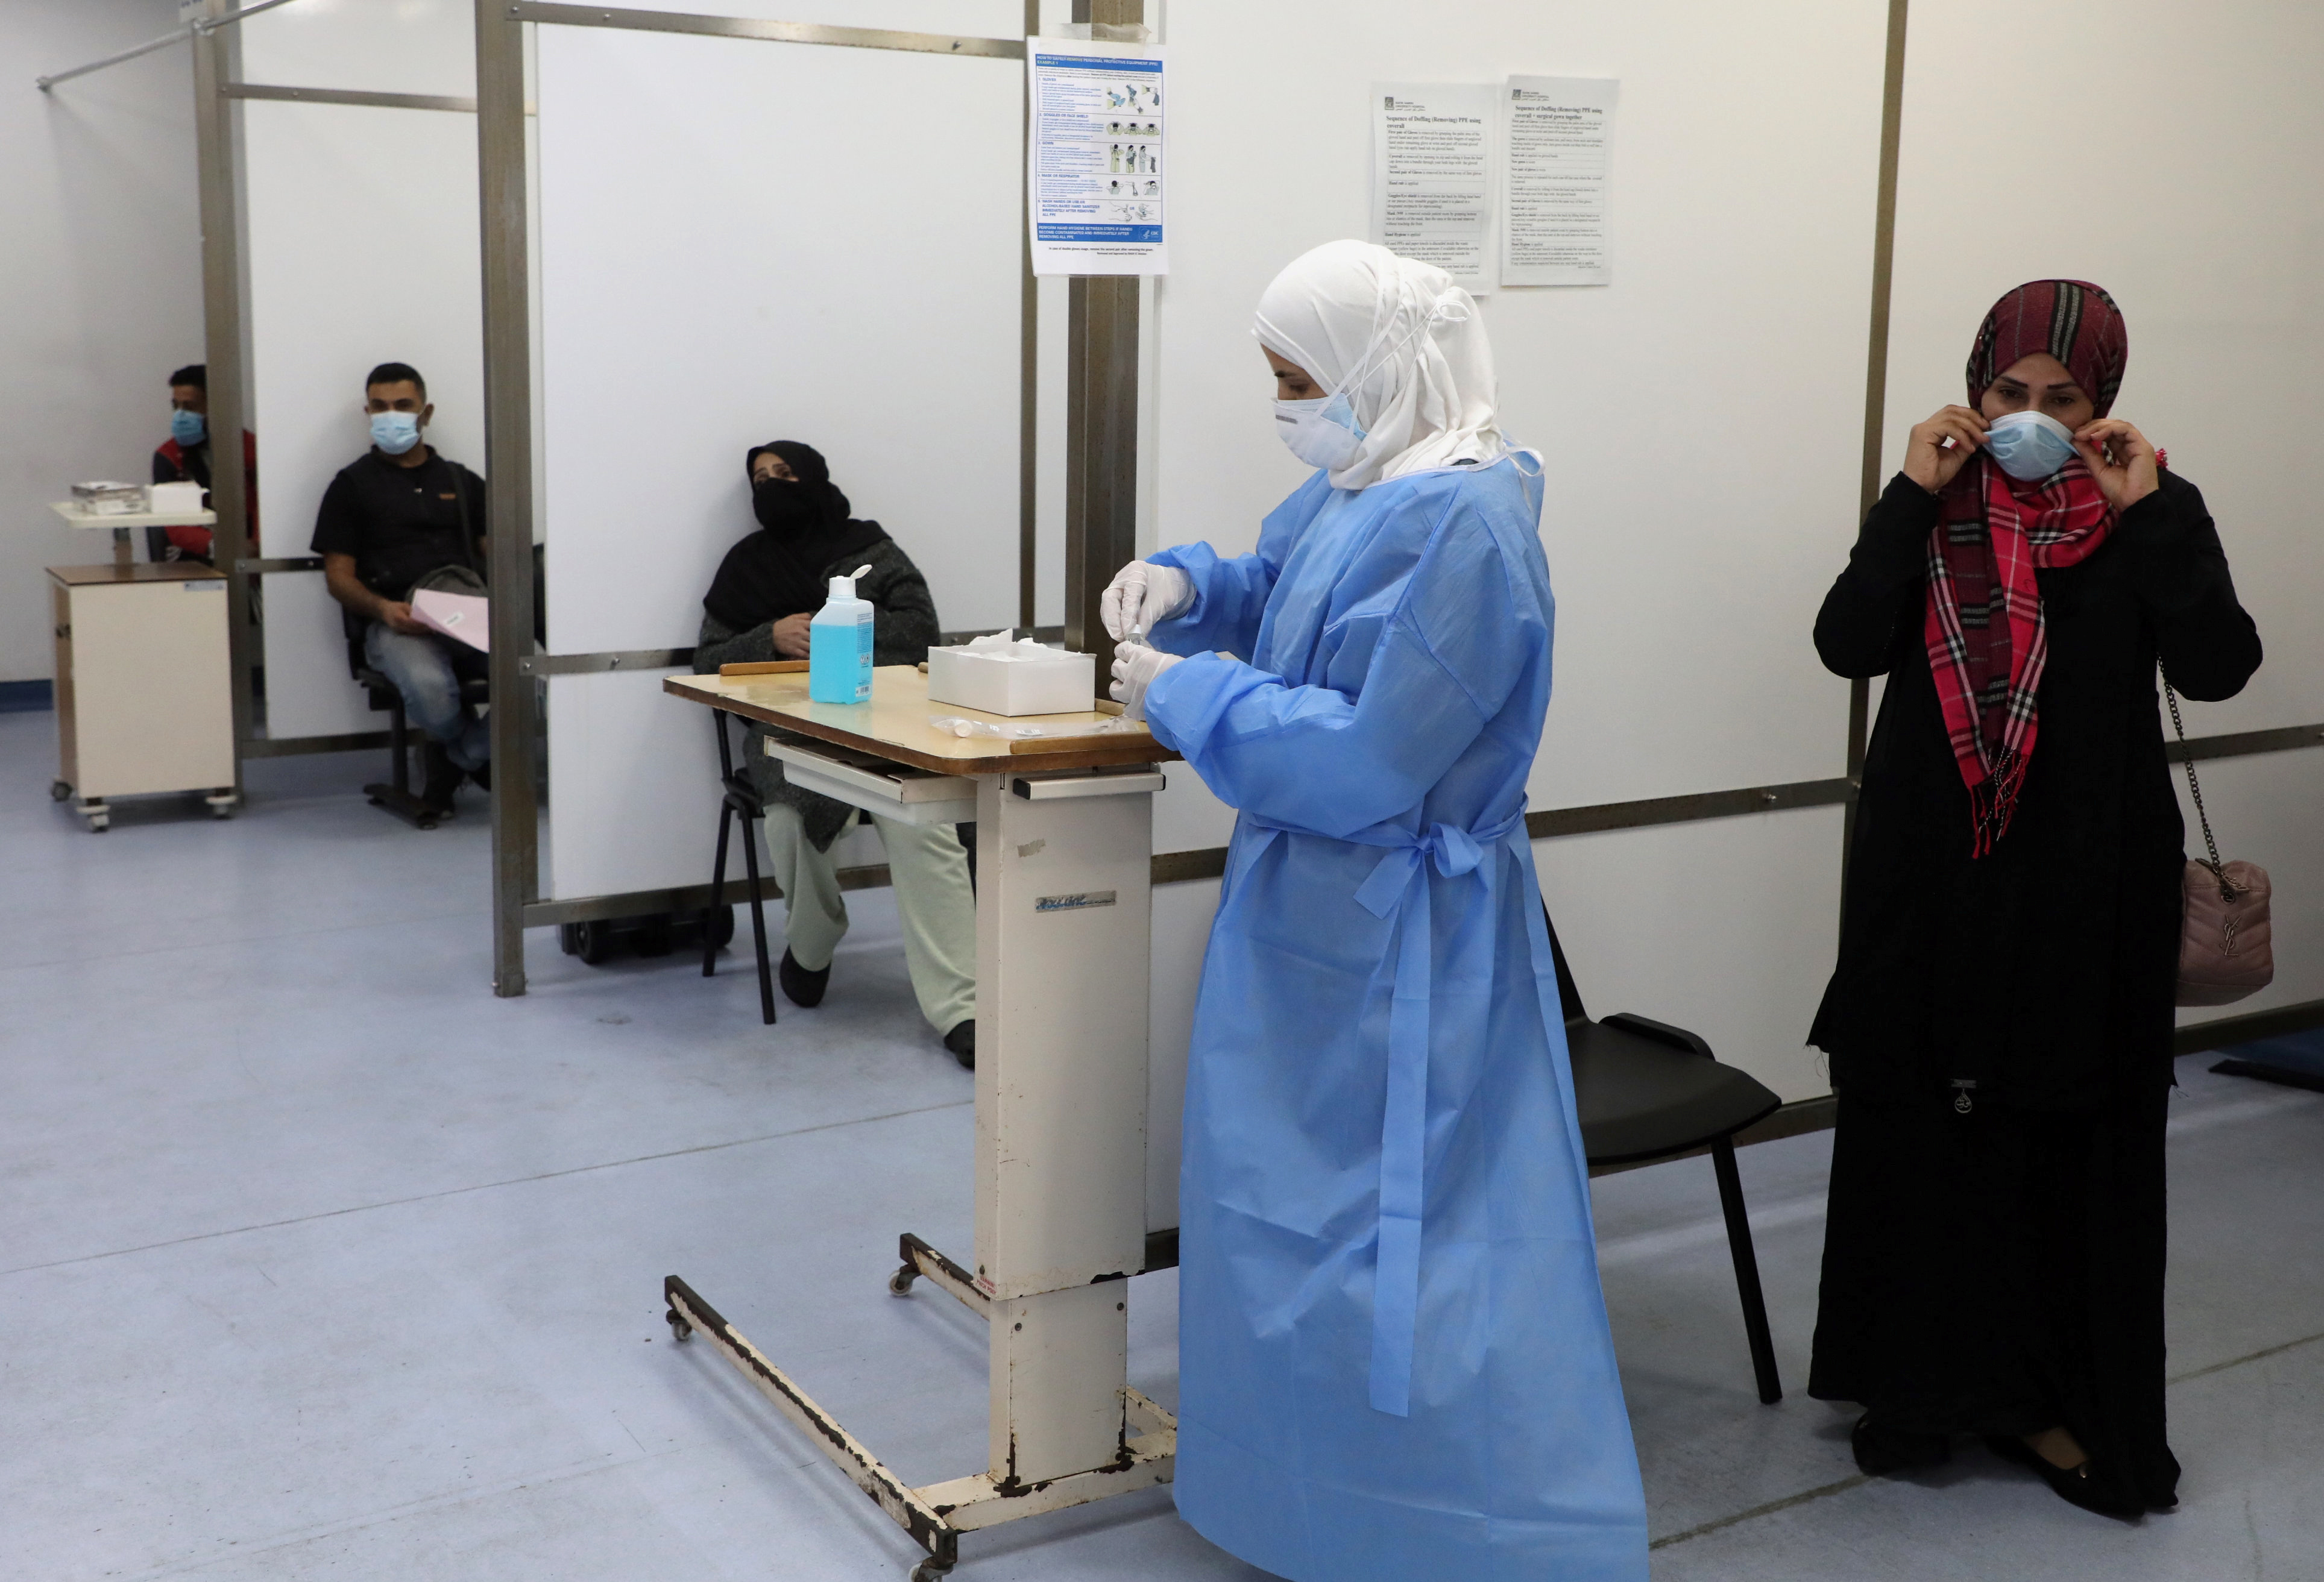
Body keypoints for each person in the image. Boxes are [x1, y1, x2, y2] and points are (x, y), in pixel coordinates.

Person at [1100, 239, 1648, 1581]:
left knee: (1402, 1239)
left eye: (1300, 380)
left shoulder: (1467, 522)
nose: (1288, 405)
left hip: (1409, 935)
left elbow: (1369, 760)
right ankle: (1300, 1497)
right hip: (1309, 923)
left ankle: (1436, 1526)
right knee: (1282, 1220)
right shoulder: (1372, 479)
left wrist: (1182, 695)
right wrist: (1190, 585)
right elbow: (1284, 586)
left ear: (1379, 369)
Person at [1807, 280, 2262, 1518]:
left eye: (2062, 399)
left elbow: (2219, 663)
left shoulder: (2151, 508)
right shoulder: (1933, 504)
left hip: (2082, 874)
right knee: (1916, 1117)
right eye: (2009, 393)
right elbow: (1847, 644)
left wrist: (2148, 514)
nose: (2030, 418)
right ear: (1975, 387)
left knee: (2063, 1134)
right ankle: (1912, 1385)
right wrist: (1908, 495)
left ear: (2101, 404)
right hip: (1929, 867)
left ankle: (2051, 1396)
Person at [693, 441, 978, 1069]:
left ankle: (964, 1007)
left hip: (883, 724)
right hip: (787, 729)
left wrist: (836, 626)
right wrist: (768, 637)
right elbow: (708, 661)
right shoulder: (746, 565)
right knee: (791, 816)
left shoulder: (870, 551)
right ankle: (812, 946)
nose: (772, 485)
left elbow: (920, 631)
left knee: (925, 823)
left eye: (785, 474)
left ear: (815, 478)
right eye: (760, 478)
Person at [311, 362, 491, 814]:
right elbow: (338, 576)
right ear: (368, 412)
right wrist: (383, 610)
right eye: (380, 407)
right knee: (431, 689)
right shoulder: (350, 486)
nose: (391, 415)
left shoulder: (461, 481)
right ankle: (469, 753)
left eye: (403, 406)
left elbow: (499, 557)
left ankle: (456, 756)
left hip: (467, 612)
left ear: (425, 413)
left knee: (539, 678)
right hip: (395, 620)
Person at [150, 363, 259, 563]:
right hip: (194, 560)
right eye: (176, 406)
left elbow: (268, 506)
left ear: (216, 406)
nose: (180, 415)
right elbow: (174, 522)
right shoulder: (168, 457)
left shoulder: (253, 450)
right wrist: (220, 546)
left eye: (190, 407)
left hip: (252, 558)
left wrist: (257, 545)